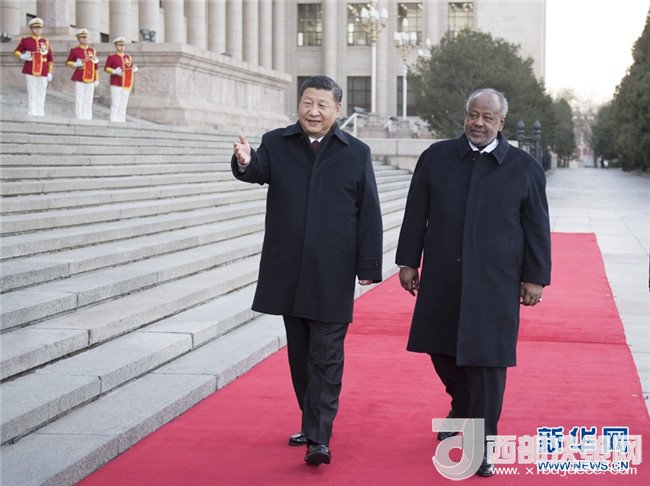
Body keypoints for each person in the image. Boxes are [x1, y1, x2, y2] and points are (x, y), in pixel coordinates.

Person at [395, 88, 551, 477]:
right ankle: (462, 406)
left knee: (488, 362)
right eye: (473, 115)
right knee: (440, 349)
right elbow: (416, 213)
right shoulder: (436, 158)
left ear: (501, 123)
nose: (478, 123)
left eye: (487, 117)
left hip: (495, 281)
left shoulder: (524, 168)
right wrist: (408, 261)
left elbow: (537, 227)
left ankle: (482, 445)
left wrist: (535, 277)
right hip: (443, 275)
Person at [232, 75, 383, 467]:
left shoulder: (356, 152)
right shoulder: (277, 143)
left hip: (332, 272)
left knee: (326, 355)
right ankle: (312, 420)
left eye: (322, 105)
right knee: (300, 355)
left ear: (337, 110)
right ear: (298, 104)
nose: (313, 112)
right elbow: (257, 169)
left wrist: (368, 265)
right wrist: (245, 160)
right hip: (289, 271)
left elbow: (369, 212)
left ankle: (319, 437)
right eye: (307, 103)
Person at [13, 18, 53, 116]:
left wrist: (50, 72)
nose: (38, 30)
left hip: (43, 71)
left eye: (39, 28)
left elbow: (50, 59)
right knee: (32, 93)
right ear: (31, 29)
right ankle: (32, 114)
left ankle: (41, 114)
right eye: (35, 28)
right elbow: (16, 52)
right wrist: (23, 56)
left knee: (42, 93)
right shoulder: (26, 41)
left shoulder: (46, 42)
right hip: (30, 69)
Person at [66, 29, 99, 120]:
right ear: (78, 38)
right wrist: (75, 64)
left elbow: (96, 66)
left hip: (91, 78)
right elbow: (68, 62)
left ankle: (88, 118)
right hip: (80, 77)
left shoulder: (92, 51)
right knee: (79, 99)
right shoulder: (74, 50)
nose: (84, 39)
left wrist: (96, 79)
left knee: (88, 100)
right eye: (82, 37)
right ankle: (79, 118)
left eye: (85, 37)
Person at [104, 37, 138, 122]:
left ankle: (121, 119)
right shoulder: (112, 57)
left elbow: (130, 67)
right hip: (116, 82)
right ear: (116, 46)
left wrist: (133, 68)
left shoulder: (128, 57)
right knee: (115, 103)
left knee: (123, 104)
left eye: (123, 45)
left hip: (126, 82)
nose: (122, 47)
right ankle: (113, 119)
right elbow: (106, 68)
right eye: (120, 45)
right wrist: (114, 71)